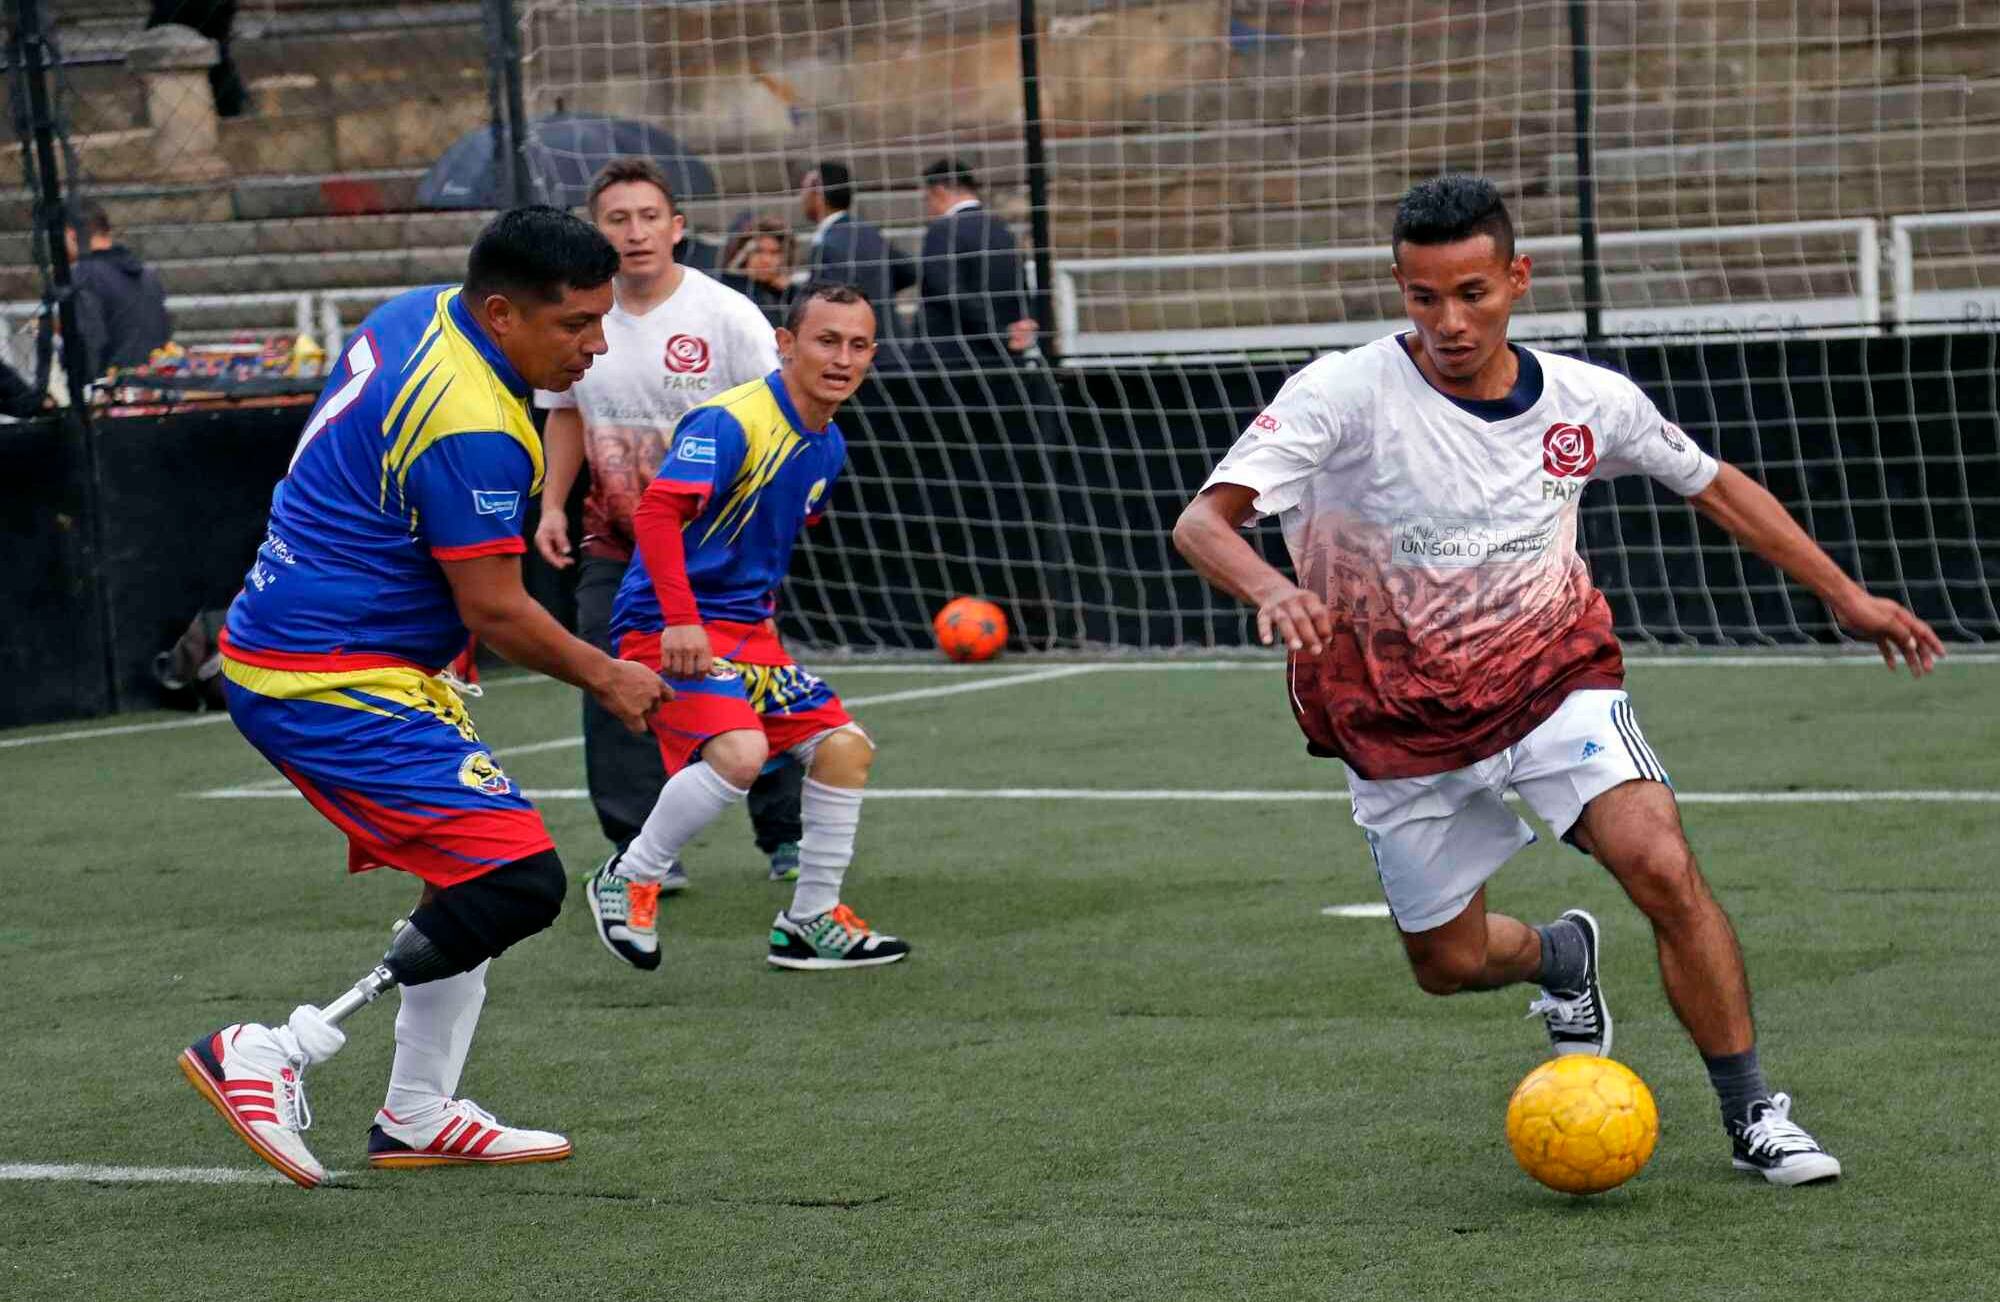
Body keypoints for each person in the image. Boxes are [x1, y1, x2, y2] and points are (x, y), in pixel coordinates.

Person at [1172, 175, 1944, 1187]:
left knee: (1659, 863)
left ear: (1517, 279)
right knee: (1448, 966)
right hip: (1395, 721)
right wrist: (1271, 587)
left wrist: (1846, 595)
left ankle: (1753, 1110)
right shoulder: (1341, 393)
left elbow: (1714, 486)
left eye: (1472, 293)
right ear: (1400, 288)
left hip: (1553, 678)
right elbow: (1202, 521)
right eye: (1424, 297)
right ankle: (1559, 958)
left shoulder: (1589, 401)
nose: (1450, 322)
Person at [178, 206, 669, 1189]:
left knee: (471, 864)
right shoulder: (473, 423)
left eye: (601, 319)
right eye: (575, 324)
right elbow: (495, 608)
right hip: (325, 676)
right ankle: (270, 1049)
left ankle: (415, 1114)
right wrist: (610, 675)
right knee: (516, 883)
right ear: (501, 312)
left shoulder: (419, 311)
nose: (595, 346)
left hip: (339, 649)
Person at [585, 282, 912, 973]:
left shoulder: (828, 444)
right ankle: (629, 875)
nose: (842, 359)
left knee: (845, 749)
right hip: (665, 622)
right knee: (739, 754)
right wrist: (681, 620)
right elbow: (656, 514)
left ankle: (810, 921)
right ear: (786, 344)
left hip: (744, 632)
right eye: (827, 341)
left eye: (857, 346)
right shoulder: (730, 421)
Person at [534, 158, 806, 890]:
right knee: (609, 678)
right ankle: (640, 847)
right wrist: (552, 505)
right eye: (618, 220)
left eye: (649, 217)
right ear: (595, 233)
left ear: (677, 228)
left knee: (753, 678)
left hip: (717, 548)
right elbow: (565, 414)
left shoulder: (727, 315)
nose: (636, 233)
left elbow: (777, 416)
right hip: (616, 541)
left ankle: (785, 833)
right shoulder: (578, 318)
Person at [915, 157, 1036, 369]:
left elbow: (947, 291)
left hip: (954, 357)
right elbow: (1021, 284)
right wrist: (1019, 328)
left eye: (927, 198)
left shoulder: (943, 230)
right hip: (1004, 356)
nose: (928, 206)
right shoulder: (1001, 229)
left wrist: (996, 331)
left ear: (939, 191)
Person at [802, 161, 916, 354]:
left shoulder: (828, 243)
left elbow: (826, 302)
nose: (802, 198)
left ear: (818, 193)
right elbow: (909, 271)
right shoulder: (867, 232)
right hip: (891, 345)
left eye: (804, 190)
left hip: (857, 351)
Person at [66, 201, 171, 380]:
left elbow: (90, 341)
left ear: (71, 234)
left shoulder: (83, 274)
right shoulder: (147, 274)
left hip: (110, 384)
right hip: (153, 381)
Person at [719, 214, 798, 330]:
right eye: (758, 251)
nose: (765, 260)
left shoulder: (793, 295)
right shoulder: (727, 288)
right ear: (745, 253)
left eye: (774, 253)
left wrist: (788, 290)